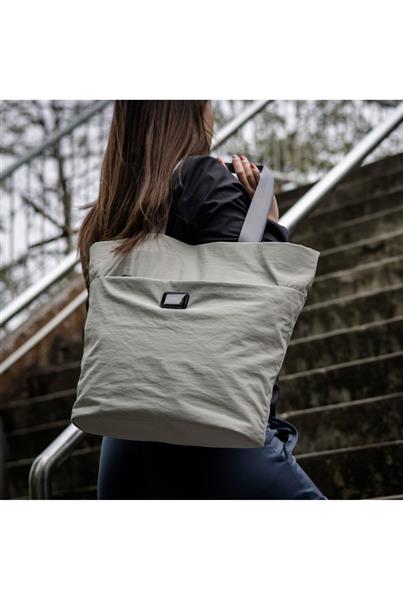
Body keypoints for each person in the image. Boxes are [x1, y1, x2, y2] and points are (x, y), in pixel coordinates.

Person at [77, 100, 327, 499]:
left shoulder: (105, 214)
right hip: (217, 436)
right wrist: (269, 225)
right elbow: (252, 300)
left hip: (123, 447)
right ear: (188, 110)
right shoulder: (202, 177)